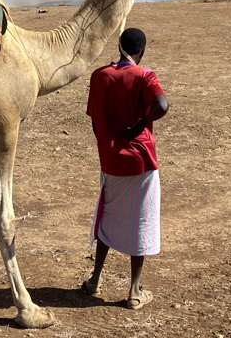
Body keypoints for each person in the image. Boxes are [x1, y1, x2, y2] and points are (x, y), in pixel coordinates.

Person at [82, 28, 169, 310]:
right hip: (141, 160)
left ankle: (95, 280)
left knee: (107, 216)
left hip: (110, 159)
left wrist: (108, 146)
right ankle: (133, 291)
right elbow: (162, 105)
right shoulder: (145, 76)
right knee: (141, 220)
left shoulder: (99, 76)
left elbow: (95, 121)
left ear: (119, 47)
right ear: (141, 50)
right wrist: (141, 125)